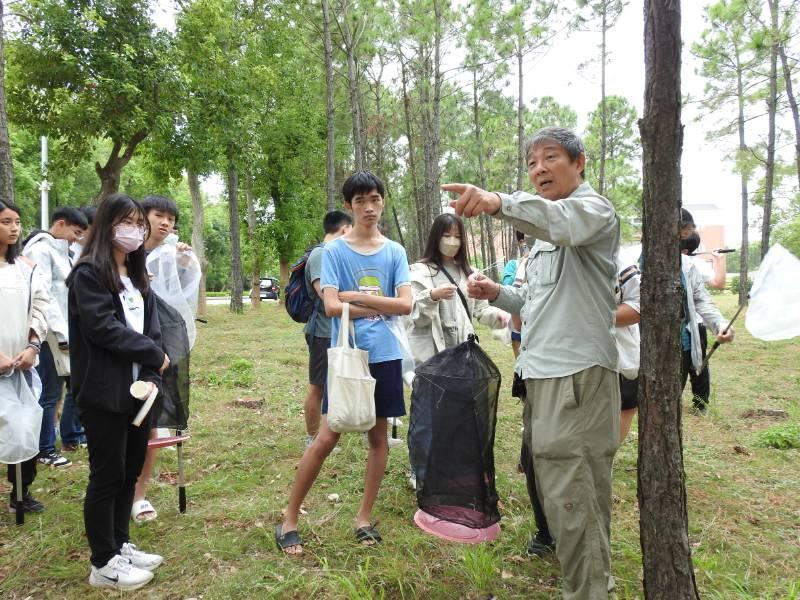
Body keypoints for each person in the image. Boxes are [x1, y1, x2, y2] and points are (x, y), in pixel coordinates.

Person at [444, 127, 621, 599]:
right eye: (532, 162)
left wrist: (498, 200)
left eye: (551, 158)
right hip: (543, 376)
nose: (539, 168)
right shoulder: (546, 238)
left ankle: (589, 593)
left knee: (575, 494)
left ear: (579, 162)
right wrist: (498, 294)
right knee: (561, 492)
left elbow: (557, 221)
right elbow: (540, 301)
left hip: (577, 377)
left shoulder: (591, 212)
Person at [276, 171, 412, 555]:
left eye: (375, 199)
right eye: (360, 202)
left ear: (383, 202)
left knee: (378, 437)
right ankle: (289, 519)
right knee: (327, 435)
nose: (369, 208)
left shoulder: (395, 252)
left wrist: (355, 296)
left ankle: (364, 518)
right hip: (349, 355)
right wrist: (368, 303)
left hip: (386, 353)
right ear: (350, 207)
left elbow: (406, 304)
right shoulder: (335, 252)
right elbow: (332, 307)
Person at [66, 194, 169, 590]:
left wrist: (154, 373)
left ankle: (121, 543)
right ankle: (102, 562)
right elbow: (103, 328)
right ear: (107, 226)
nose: (136, 230)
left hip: (139, 393)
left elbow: (152, 328)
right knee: (107, 475)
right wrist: (153, 353)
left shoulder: (137, 276)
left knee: (128, 474)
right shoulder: (89, 274)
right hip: (104, 394)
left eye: (140, 223)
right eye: (128, 222)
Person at [405, 212, 509, 489]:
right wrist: (432, 296)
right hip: (432, 354)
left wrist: (499, 317)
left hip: (462, 353)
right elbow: (413, 315)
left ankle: (452, 465)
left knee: (460, 412)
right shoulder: (420, 271)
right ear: (435, 238)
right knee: (428, 412)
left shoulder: (469, 272)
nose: (452, 241)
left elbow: (480, 310)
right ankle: (420, 469)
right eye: (446, 235)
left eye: (457, 236)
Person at [130, 194, 200, 523]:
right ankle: (117, 490)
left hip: (156, 347)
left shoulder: (173, 254)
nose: (165, 222)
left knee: (151, 424)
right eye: (158, 215)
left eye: (170, 218)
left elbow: (184, 289)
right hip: (121, 348)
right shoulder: (122, 252)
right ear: (142, 217)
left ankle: (138, 495)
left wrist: (182, 260)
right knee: (123, 426)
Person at [23, 206, 88, 464]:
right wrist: (61, 335)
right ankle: (44, 449)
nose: (76, 238)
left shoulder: (62, 251)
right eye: (75, 232)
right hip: (49, 335)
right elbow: (44, 297)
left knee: (67, 389)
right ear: (60, 224)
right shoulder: (40, 249)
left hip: (66, 333)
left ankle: (67, 438)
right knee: (49, 392)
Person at [0, 200, 50, 513]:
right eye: (6, 221)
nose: (14, 228)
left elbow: (41, 306)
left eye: (17, 221)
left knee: (25, 427)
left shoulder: (27, 268)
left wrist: (32, 347)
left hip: (21, 364)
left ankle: (20, 492)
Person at [302, 209, 352, 447]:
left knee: (333, 383)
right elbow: (326, 295)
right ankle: (312, 438)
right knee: (318, 385)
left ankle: (331, 430)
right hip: (322, 330)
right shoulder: (321, 256)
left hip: (334, 330)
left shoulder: (332, 254)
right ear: (345, 229)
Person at [679, 209, 734, 415]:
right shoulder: (635, 261)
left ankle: (700, 404)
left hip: (685, 341)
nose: (683, 244)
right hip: (647, 347)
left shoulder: (688, 266)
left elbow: (701, 298)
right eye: (681, 236)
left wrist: (719, 323)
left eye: (685, 238)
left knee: (696, 371)